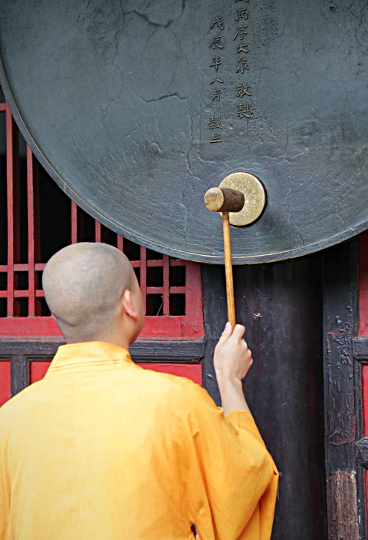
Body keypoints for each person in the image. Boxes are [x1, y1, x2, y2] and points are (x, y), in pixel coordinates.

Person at [0, 242, 278, 539]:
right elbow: (243, 485)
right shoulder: (175, 402)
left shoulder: (9, 420)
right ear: (129, 303)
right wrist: (230, 380)